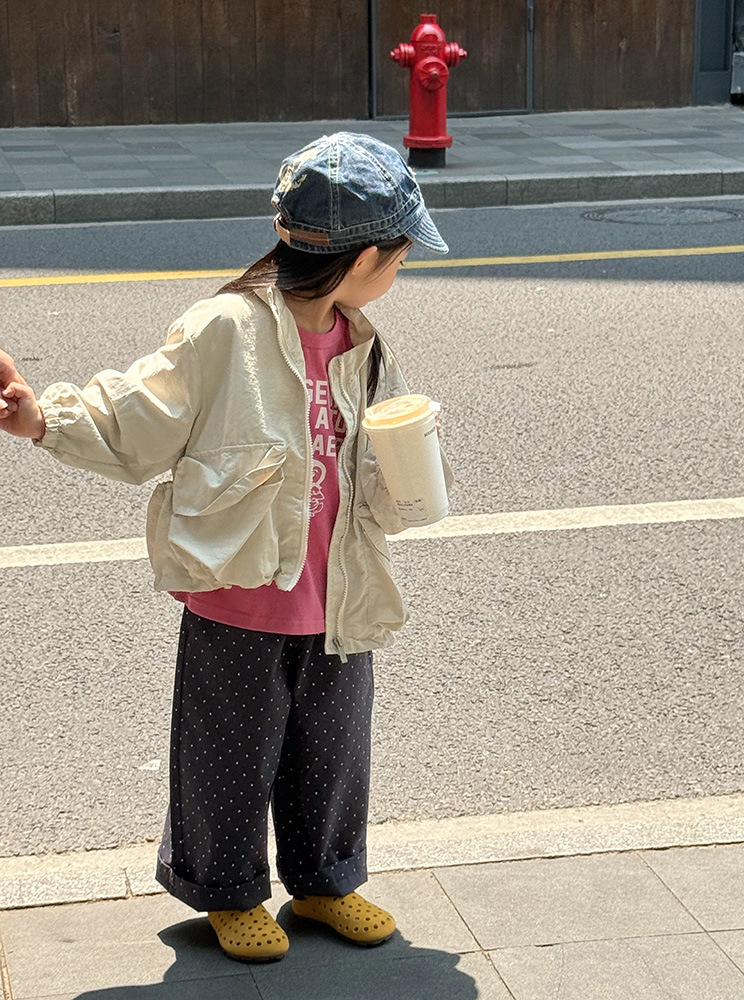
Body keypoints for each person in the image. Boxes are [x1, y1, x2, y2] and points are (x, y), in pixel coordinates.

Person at [0, 132, 453, 964]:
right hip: (238, 594)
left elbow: (377, 460)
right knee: (229, 756)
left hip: (338, 593)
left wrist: (413, 463)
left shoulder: (364, 347)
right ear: (362, 258)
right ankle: (228, 890)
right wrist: (42, 419)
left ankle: (325, 879)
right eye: (399, 256)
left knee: (333, 750)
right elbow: (139, 414)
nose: (400, 271)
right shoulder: (226, 330)